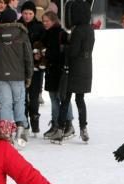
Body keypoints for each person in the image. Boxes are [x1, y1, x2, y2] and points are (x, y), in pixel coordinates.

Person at [0, 7, 34, 147]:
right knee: (19, 102)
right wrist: (29, 75)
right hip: (18, 75)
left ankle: (7, 133)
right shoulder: (22, 33)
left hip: (0, 75)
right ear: (15, 19)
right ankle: (20, 129)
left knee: (5, 104)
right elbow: (28, 56)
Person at [51, 0, 95, 143]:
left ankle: (60, 129)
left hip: (74, 68)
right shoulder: (90, 29)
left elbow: (73, 52)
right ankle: (83, 128)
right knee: (80, 99)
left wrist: (66, 48)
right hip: (87, 67)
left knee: (65, 99)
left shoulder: (77, 30)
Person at [40, 10, 74, 139]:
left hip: (61, 72)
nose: (44, 23)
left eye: (47, 21)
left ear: (54, 21)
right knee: (54, 99)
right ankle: (55, 124)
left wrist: (46, 53)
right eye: (43, 21)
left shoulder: (61, 34)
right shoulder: (46, 34)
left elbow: (63, 53)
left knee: (63, 98)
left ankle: (68, 124)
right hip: (50, 71)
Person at [19, 1, 46, 136]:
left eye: (30, 13)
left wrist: (39, 54)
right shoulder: (17, 26)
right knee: (22, 98)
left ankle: (35, 125)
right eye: (25, 13)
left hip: (36, 68)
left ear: (34, 14)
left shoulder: (40, 27)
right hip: (20, 68)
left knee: (34, 97)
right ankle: (25, 125)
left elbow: (44, 45)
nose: (27, 16)